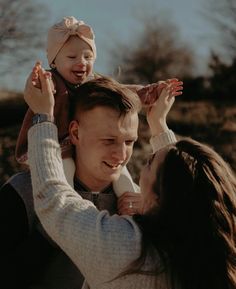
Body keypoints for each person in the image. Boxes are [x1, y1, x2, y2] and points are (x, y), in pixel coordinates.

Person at [26, 68, 236, 289]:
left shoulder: (127, 250)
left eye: (148, 163)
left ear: (160, 200)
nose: (122, 156)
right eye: (109, 140)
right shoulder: (211, 254)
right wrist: (159, 124)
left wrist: (42, 117)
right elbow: (183, 184)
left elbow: (53, 199)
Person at [0, 64, 182, 289]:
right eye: (108, 140)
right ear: (75, 133)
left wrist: (146, 221)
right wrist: (50, 234)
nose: (121, 154)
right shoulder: (24, 192)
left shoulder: (140, 201)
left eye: (129, 141)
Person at [15, 15, 168, 195]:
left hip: (85, 144)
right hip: (58, 146)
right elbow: (39, 93)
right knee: (64, 171)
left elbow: (122, 92)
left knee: (122, 174)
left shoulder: (94, 82)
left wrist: (148, 92)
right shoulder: (53, 80)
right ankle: (66, 206)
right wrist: (38, 82)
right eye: (72, 56)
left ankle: (130, 200)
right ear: (54, 61)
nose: (81, 62)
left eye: (88, 56)